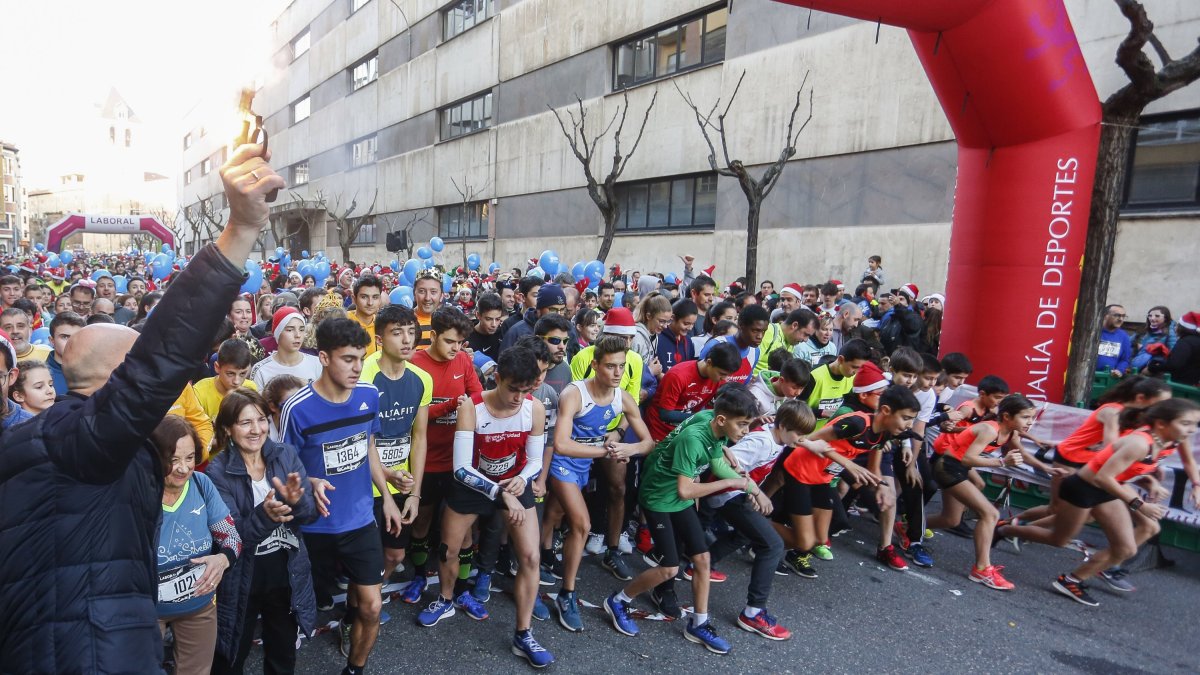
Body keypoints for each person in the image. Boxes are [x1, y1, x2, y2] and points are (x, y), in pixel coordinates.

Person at [0, 141, 279, 673]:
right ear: (117, 381)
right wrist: (239, 232)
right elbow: (160, 358)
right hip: (90, 653)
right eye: (135, 368)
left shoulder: (34, 443)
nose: (159, 386)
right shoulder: (79, 441)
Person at [415, 347, 555, 668]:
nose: (519, 396)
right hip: (472, 484)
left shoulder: (533, 408)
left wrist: (522, 479)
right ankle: (446, 599)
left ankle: (524, 633)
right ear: (497, 378)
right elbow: (461, 468)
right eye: (513, 388)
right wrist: (499, 492)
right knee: (449, 549)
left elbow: (535, 460)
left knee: (531, 557)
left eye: (527, 389)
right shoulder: (472, 407)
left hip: (513, 483)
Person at [280, 317, 405, 674]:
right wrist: (310, 481)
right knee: (296, 608)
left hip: (359, 520)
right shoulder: (297, 407)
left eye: (360, 358)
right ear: (323, 357)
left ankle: (355, 669)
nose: (356, 367)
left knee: (372, 606)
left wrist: (388, 495)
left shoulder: (368, 395)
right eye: (347, 358)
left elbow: (368, 447)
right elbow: (281, 467)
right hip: (312, 528)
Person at [603, 386, 760, 654]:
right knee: (669, 569)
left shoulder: (715, 424)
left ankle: (698, 624)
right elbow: (686, 489)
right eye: (743, 424)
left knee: (703, 559)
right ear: (722, 420)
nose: (746, 431)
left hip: (678, 498)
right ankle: (618, 600)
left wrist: (751, 486)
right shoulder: (694, 438)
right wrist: (734, 483)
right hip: (658, 499)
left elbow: (717, 465)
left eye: (749, 424)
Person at [1001, 399, 1200, 607]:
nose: (1191, 430)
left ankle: (1071, 580)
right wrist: (1140, 504)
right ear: (1161, 423)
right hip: (1085, 488)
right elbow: (1102, 477)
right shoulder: (1140, 443)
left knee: (1126, 548)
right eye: (1186, 423)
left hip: (1109, 490)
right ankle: (1006, 530)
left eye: (1195, 424)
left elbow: (1186, 462)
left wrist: (1194, 485)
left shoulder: (1174, 439)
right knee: (1058, 539)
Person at [547, 335, 654, 632]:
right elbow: (562, 444)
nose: (617, 372)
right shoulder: (575, 394)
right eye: (610, 366)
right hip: (561, 462)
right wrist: (605, 451)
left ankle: (541, 556)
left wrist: (625, 447)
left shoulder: (623, 397)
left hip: (584, 463)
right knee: (580, 524)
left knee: (554, 514)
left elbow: (647, 442)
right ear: (595, 365)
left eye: (621, 366)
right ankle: (566, 594)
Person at [208, 389, 319, 674]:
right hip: (242, 575)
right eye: (245, 422)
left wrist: (297, 501)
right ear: (228, 429)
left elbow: (309, 516)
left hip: (286, 570)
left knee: (283, 655)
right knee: (230, 654)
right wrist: (267, 515)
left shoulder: (285, 455)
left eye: (261, 419)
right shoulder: (216, 472)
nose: (256, 429)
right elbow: (232, 536)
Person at [705, 400, 812, 640]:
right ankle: (753, 613)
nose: (802, 439)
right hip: (726, 494)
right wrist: (753, 491)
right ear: (782, 425)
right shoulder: (762, 442)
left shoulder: (779, 437)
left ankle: (702, 563)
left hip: (737, 493)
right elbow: (724, 463)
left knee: (747, 533)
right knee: (772, 545)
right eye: (799, 434)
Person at [926, 394, 1050, 590]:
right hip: (948, 468)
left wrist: (1048, 469)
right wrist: (1002, 462)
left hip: (958, 468)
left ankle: (907, 526)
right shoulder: (989, 429)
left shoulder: (1010, 432)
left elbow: (1022, 454)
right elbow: (968, 459)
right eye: (1026, 417)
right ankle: (982, 568)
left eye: (1032, 418)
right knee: (990, 513)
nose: (1030, 422)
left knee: (950, 519)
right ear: (1007, 416)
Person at [403, 307, 484, 604]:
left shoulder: (463, 359)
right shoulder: (414, 363)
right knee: (421, 521)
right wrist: (450, 406)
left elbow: (477, 394)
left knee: (463, 531)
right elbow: (412, 415)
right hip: (426, 461)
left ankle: (462, 589)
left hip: (458, 462)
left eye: (461, 342)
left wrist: (466, 402)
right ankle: (419, 576)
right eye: (450, 341)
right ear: (433, 335)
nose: (456, 349)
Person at [153, 415, 244, 675]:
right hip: (146, 611)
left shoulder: (201, 484)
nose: (183, 468)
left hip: (198, 605)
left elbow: (231, 537)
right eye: (173, 460)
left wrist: (222, 559)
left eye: (190, 458)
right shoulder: (140, 490)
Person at [360, 304, 431, 592]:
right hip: (366, 485)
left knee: (395, 554)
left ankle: (372, 596)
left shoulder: (421, 379)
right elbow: (363, 441)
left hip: (401, 484)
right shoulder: (363, 378)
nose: (406, 340)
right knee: (365, 560)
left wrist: (415, 493)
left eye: (411, 333)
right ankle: (359, 609)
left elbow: (420, 438)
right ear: (379, 339)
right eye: (397, 333)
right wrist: (386, 474)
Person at [645, 341, 741, 442]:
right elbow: (665, 414)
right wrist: (701, 417)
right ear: (709, 363)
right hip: (660, 429)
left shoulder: (717, 379)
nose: (724, 378)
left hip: (686, 428)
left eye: (728, 375)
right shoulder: (678, 376)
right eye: (722, 374)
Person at [250, 307, 322, 390]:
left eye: (302, 329)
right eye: (290, 330)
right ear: (278, 333)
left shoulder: (317, 364)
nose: (297, 335)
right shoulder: (261, 370)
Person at [699, 304, 769, 385]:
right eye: (755, 330)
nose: (760, 336)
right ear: (740, 325)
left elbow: (743, 385)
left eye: (763, 331)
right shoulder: (715, 345)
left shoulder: (755, 352)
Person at [194, 339, 260, 422]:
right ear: (217, 368)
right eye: (230, 374)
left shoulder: (250, 388)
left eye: (243, 374)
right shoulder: (200, 392)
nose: (237, 381)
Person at [501, 283, 567, 352]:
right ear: (539, 310)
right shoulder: (517, 333)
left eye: (562, 310)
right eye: (553, 310)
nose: (559, 314)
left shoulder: (569, 330)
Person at [1131, 305, 1177, 372]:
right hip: (1133, 365)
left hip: (1151, 369)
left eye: (1157, 316)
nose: (1152, 318)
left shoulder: (1170, 333)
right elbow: (1128, 342)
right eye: (1150, 315)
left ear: (1166, 318)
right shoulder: (1143, 329)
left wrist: (1152, 367)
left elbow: (1171, 353)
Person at [657, 299, 698, 371]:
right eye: (686, 324)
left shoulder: (688, 341)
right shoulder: (658, 338)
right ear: (673, 318)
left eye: (693, 324)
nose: (690, 328)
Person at [348, 275, 384, 356]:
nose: (370, 303)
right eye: (364, 297)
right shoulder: (343, 323)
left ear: (380, 299)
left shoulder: (383, 325)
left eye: (375, 297)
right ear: (354, 299)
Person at [1095, 304, 1132, 377]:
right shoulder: (1094, 332)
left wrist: (1119, 370)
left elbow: (1125, 359)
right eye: (1117, 315)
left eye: (1123, 316)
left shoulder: (1124, 336)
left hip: (1109, 378)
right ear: (1105, 316)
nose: (1121, 319)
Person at [229, 295, 267, 364]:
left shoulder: (261, 337)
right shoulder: (220, 341)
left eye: (248, 311)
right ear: (229, 316)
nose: (245, 316)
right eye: (238, 312)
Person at [468, 291, 505, 361]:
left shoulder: (503, 333)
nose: (494, 325)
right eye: (489, 319)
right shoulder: (466, 337)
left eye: (497, 319)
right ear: (478, 315)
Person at [1166, 311, 1200, 386]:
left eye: (1178, 325)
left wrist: (1156, 367)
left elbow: (1174, 364)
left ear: (1182, 327)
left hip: (1182, 385)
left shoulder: (1186, 342)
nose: (1175, 327)